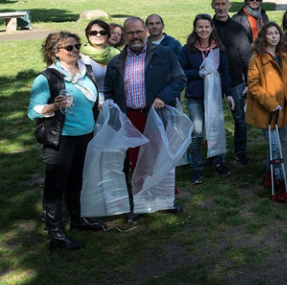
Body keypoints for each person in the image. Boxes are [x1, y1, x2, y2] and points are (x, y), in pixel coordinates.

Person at [104, 17, 187, 216]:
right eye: (130, 33)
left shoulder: (164, 54)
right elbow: (108, 89)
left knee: (162, 157)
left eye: (139, 32)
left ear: (146, 32)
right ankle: (142, 203)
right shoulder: (116, 62)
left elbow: (179, 79)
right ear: (124, 36)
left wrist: (163, 97)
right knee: (137, 160)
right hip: (131, 117)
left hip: (157, 115)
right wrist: (111, 108)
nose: (135, 36)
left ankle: (167, 200)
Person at [29, 32, 103, 249]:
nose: (75, 50)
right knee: (55, 186)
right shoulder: (47, 78)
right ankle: (56, 234)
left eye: (77, 46)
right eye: (68, 48)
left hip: (85, 135)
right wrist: (53, 106)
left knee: (77, 180)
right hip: (61, 139)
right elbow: (33, 111)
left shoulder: (85, 71)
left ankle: (77, 220)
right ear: (54, 52)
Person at [246, 22, 287, 202]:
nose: (274, 37)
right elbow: (253, 86)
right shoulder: (257, 58)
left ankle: (271, 174)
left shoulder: (282, 55)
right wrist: (269, 103)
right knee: (275, 148)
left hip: (283, 109)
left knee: (278, 144)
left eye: (276, 33)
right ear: (264, 37)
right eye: (270, 34)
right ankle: (280, 181)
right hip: (267, 110)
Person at [178, 14, 235, 185]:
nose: (203, 30)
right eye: (200, 27)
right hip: (195, 97)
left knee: (216, 129)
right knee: (197, 134)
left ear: (211, 29)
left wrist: (229, 94)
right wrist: (198, 73)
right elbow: (181, 72)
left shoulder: (218, 49)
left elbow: (225, 72)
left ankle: (218, 162)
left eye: (206, 27)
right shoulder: (187, 49)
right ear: (195, 29)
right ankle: (196, 169)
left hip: (215, 96)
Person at [211, 0, 252, 164]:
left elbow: (246, 57)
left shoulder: (237, 28)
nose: (220, 7)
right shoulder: (207, 27)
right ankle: (215, 153)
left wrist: (248, 82)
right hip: (212, 81)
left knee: (240, 119)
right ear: (212, 5)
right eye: (217, 4)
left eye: (223, 4)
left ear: (229, 5)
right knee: (213, 119)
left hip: (235, 80)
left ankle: (240, 150)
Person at [81, 19, 119, 103]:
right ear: (87, 35)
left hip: (114, 102)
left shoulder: (117, 54)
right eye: (93, 33)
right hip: (90, 102)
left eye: (102, 32)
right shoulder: (80, 56)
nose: (98, 35)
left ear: (108, 35)